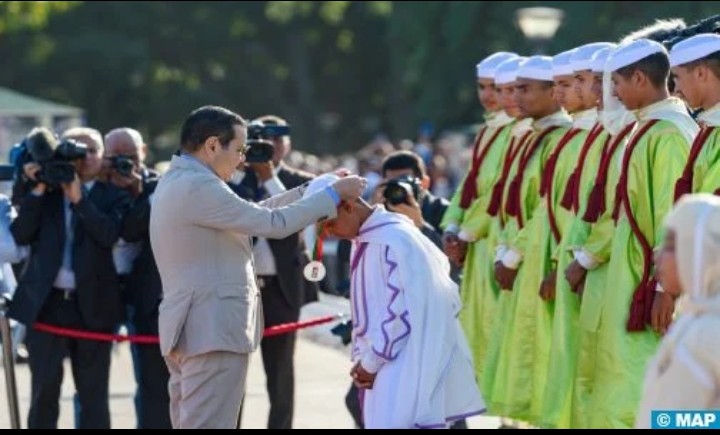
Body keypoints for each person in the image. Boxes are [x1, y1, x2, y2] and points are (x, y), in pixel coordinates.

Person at [148, 105, 366, 429]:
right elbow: (271, 223)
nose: (242, 160)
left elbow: (251, 215)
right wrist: (332, 195)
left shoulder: (184, 179)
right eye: (238, 149)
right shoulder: (198, 185)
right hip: (212, 330)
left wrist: (312, 189)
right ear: (211, 146)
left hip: (198, 327)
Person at [304, 173, 484, 429]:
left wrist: (371, 362)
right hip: (385, 367)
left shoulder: (394, 240)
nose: (331, 234)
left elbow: (400, 314)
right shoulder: (371, 237)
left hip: (403, 366)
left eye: (329, 225)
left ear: (348, 206)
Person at [585, 38, 698, 428]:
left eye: (616, 82)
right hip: (635, 271)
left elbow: (673, 216)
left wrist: (664, 289)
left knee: (648, 377)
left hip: (650, 279)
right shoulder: (647, 128)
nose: (612, 93)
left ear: (638, 77)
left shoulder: (666, 134)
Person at [9, 126, 131, 429]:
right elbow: (21, 233)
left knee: (93, 398)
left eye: (93, 150)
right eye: (79, 149)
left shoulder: (112, 195)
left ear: (103, 157)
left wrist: (79, 200)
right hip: (47, 307)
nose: (86, 157)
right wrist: (37, 186)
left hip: (92, 307)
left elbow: (109, 235)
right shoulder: (44, 192)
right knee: (44, 395)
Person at [228, 114, 319, 429]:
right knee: (231, 376)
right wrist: (244, 173)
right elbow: (226, 209)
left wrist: (269, 177)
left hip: (281, 290)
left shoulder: (297, 180)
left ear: (288, 144)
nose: (270, 147)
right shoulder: (232, 178)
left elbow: (297, 218)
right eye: (261, 141)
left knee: (280, 378)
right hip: (238, 290)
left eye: (277, 139)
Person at [105, 127, 172, 429]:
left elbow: (132, 230)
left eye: (130, 156)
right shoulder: (93, 187)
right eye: (115, 157)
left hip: (147, 298)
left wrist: (137, 192)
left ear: (143, 152)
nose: (124, 164)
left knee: (156, 383)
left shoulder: (159, 185)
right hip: (98, 292)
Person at [635, 194, 720, 428]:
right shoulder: (693, 320)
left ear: (704, 250)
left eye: (672, 246)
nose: (658, 255)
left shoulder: (706, 334)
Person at [669, 34, 720, 195]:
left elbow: (709, 207)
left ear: (700, 73)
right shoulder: (710, 125)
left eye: (677, 77)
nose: (675, 89)